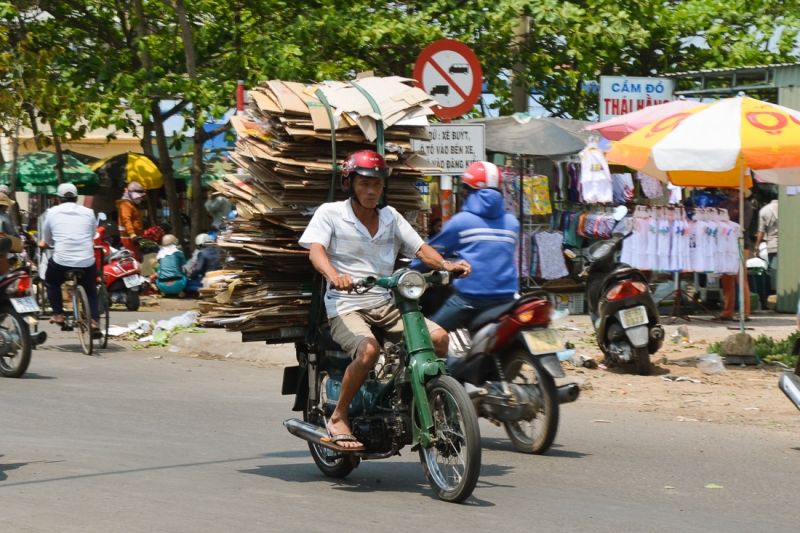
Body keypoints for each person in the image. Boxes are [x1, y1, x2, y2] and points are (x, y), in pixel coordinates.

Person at [298, 149, 470, 450]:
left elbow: (420, 249)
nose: (371, 190)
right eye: (364, 183)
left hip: (386, 303)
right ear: (349, 183)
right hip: (345, 305)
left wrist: (445, 265)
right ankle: (339, 417)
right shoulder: (331, 213)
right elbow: (316, 251)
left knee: (440, 339)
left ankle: (418, 400)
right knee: (368, 352)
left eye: (377, 184)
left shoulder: (390, 217)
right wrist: (335, 275)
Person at [411, 161, 519, 333]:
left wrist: (409, 266)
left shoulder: (462, 221)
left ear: (469, 191)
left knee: (429, 337)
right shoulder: (513, 223)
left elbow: (432, 252)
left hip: (470, 300)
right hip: (507, 300)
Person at [40, 183, 100, 331]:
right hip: (87, 260)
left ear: (58, 199)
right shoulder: (89, 212)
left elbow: (47, 239)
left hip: (61, 261)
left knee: (52, 282)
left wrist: (46, 243)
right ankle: (93, 321)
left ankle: (58, 314)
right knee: (90, 289)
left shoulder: (51, 212)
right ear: (76, 198)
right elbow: (92, 234)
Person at [718, 188, 753, 321]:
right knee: (726, 278)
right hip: (725, 245)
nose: (732, 192)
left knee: (740, 278)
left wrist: (727, 227)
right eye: (731, 190)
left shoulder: (746, 205)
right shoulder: (724, 205)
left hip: (740, 244)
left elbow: (745, 224)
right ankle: (728, 311)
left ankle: (745, 312)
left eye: (735, 190)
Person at [116, 181, 146, 257]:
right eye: (138, 197)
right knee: (133, 258)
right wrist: (132, 234)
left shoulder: (132, 204)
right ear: (129, 193)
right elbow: (126, 219)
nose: (139, 199)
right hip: (129, 237)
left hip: (134, 236)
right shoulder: (126, 204)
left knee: (136, 258)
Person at [755, 197, 778, 267]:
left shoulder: (764, 210)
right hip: (789, 246)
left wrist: (756, 247)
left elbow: (761, 231)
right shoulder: (790, 207)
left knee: (775, 272)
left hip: (773, 246)